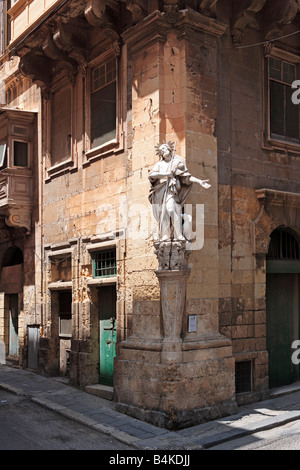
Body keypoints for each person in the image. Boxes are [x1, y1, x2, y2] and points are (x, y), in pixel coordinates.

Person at [148, 142, 211, 241]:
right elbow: (151, 176)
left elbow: (186, 177)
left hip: (171, 192)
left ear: (169, 149)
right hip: (160, 191)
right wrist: (166, 174)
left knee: (171, 209)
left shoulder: (175, 163)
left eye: (164, 148)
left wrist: (199, 181)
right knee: (163, 213)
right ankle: (166, 235)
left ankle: (178, 234)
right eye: (161, 150)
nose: (162, 150)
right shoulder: (159, 165)